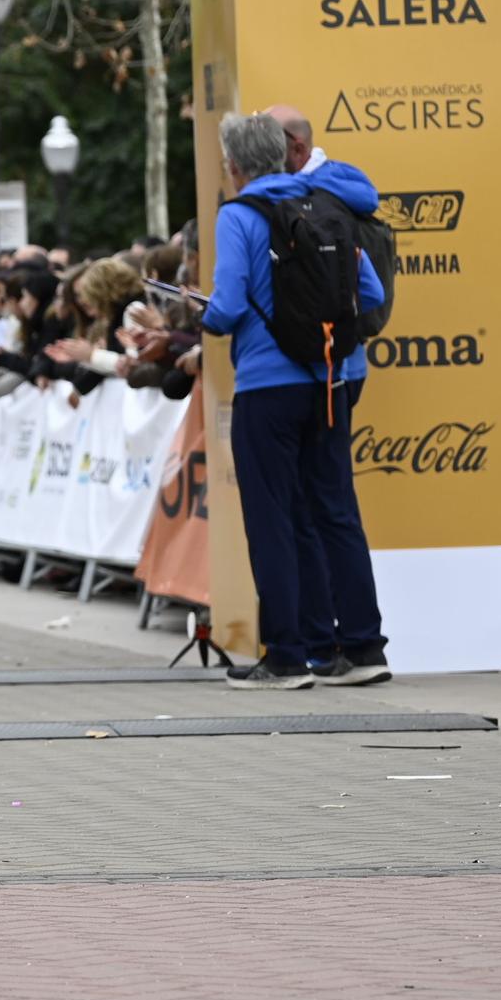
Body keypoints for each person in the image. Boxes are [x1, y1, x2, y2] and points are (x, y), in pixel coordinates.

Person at [203, 113, 387, 689]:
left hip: (267, 382)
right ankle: (359, 649)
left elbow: (227, 307)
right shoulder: (327, 201)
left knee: (273, 517)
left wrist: (201, 314)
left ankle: (287, 654)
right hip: (334, 376)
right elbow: (372, 292)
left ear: (235, 166)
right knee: (335, 511)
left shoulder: (239, 215)